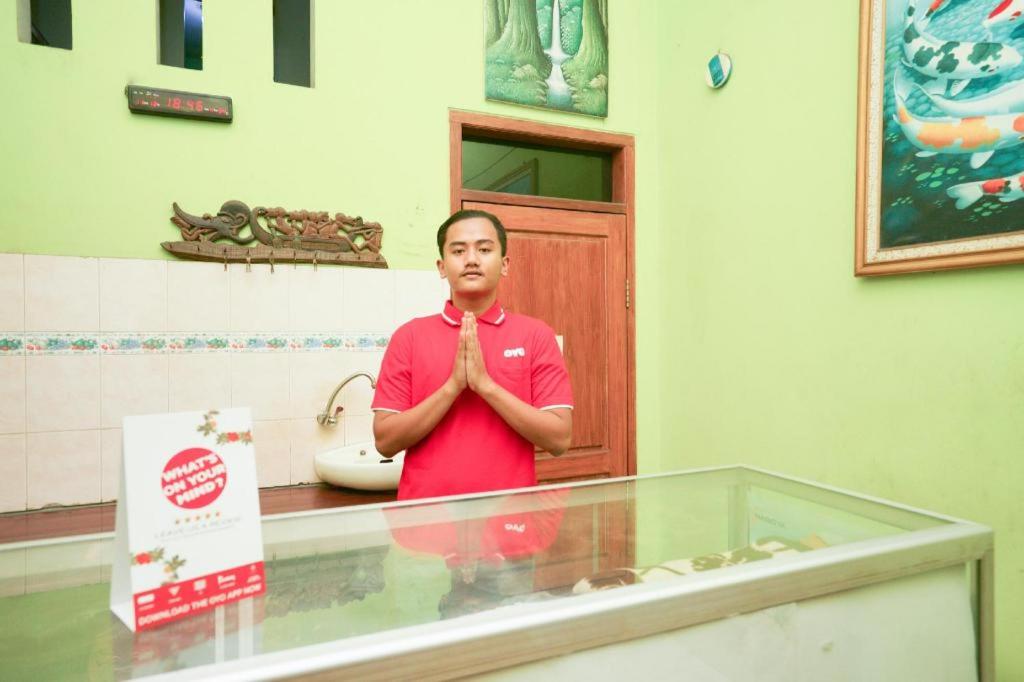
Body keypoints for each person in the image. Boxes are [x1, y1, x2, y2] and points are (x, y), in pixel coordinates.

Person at [372, 209, 573, 500]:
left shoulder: (536, 335)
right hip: (425, 517)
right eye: (458, 251)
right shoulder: (409, 337)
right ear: (442, 266)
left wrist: (485, 386)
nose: (471, 259)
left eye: (484, 249)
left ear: (505, 264)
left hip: (510, 515)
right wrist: (453, 386)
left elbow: (559, 439)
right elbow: (385, 442)